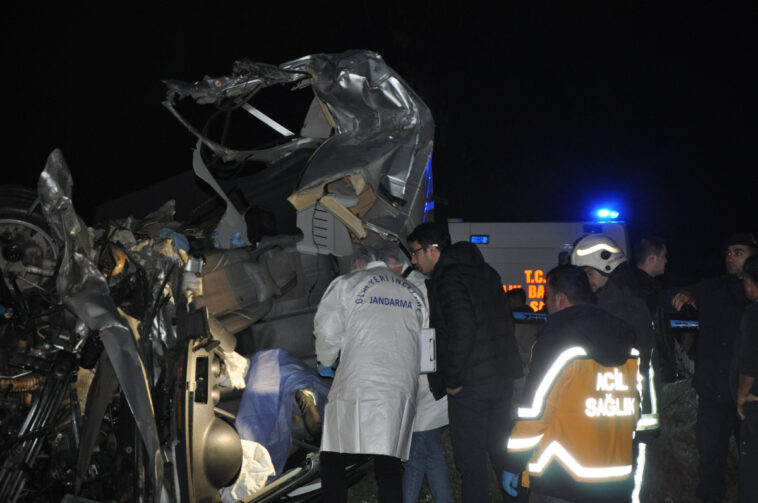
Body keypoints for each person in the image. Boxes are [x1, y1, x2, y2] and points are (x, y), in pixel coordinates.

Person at [502, 265, 639, 502]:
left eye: (546, 297)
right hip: (616, 478)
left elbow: (535, 411)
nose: (545, 304)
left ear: (561, 298)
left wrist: (514, 462)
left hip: (563, 477)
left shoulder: (556, 340)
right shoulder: (626, 341)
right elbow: (635, 406)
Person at [408, 222, 523, 502]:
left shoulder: (447, 278)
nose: (413, 260)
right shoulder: (486, 272)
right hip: (502, 376)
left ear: (432, 250)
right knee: (500, 450)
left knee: (470, 462)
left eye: (415, 252)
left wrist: (453, 379)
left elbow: (462, 327)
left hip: (471, 382)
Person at [313, 243, 426, 503]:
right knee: (388, 465)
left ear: (361, 263)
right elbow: (424, 342)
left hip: (357, 384)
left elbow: (328, 330)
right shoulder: (412, 291)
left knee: (333, 458)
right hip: (398, 389)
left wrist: (326, 360)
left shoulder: (347, 284)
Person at [671, 231, 757, 503]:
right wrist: (686, 294)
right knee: (710, 462)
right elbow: (670, 297)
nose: (731, 257)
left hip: (750, 396)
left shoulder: (754, 299)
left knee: (751, 465)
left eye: (739, 252)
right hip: (714, 393)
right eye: (729, 252)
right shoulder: (711, 288)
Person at [381, 241, 454, 503]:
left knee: (414, 458)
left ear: (393, 264)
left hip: (426, 386)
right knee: (431, 455)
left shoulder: (414, 289)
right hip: (429, 385)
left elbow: (419, 342)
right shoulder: (419, 286)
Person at [570, 234, 658, 433]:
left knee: (634, 461)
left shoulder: (622, 306)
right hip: (619, 403)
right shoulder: (615, 300)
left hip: (630, 404)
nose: (586, 281)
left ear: (607, 267)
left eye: (589, 273)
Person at [734, 254, 758, 502]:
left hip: (756, 401)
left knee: (752, 475)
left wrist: (741, 397)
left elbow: (749, 360)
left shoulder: (754, 314)